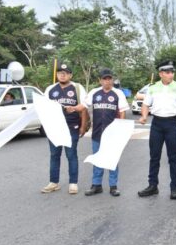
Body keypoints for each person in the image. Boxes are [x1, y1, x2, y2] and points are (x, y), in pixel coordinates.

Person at [137, 60, 176, 200]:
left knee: (173, 158)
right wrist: (144, 116)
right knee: (154, 157)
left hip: (172, 124)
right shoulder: (153, 88)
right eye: (168, 72)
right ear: (161, 74)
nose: (171, 74)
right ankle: (152, 186)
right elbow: (145, 104)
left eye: (172, 72)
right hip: (157, 124)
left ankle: (174, 187)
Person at [41, 63, 88, 194]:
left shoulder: (77, 88)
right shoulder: (50, 89)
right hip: (55, 129)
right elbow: (44, 108)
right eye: (60, 72)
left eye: (65, 72)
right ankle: (53, 182)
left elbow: (84, 107)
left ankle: (73, 183)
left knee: (71, 155)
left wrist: (83, 126)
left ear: (70, 75)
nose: (62, 74)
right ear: (56, 74)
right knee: (54, 155)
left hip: (72, 127)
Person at [84, 69, 130, 197]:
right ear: (100, 80)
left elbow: (122, 112)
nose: (107, 81)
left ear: (112, 80)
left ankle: (113, 186)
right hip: (97, 132)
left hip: (113, 134)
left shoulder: (118, 93)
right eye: (104, 79)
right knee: (97, 159)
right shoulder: (94, 92)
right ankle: (96, 185)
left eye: (109, 78)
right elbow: (84, 106)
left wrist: (120, 129)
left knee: (113, 159)